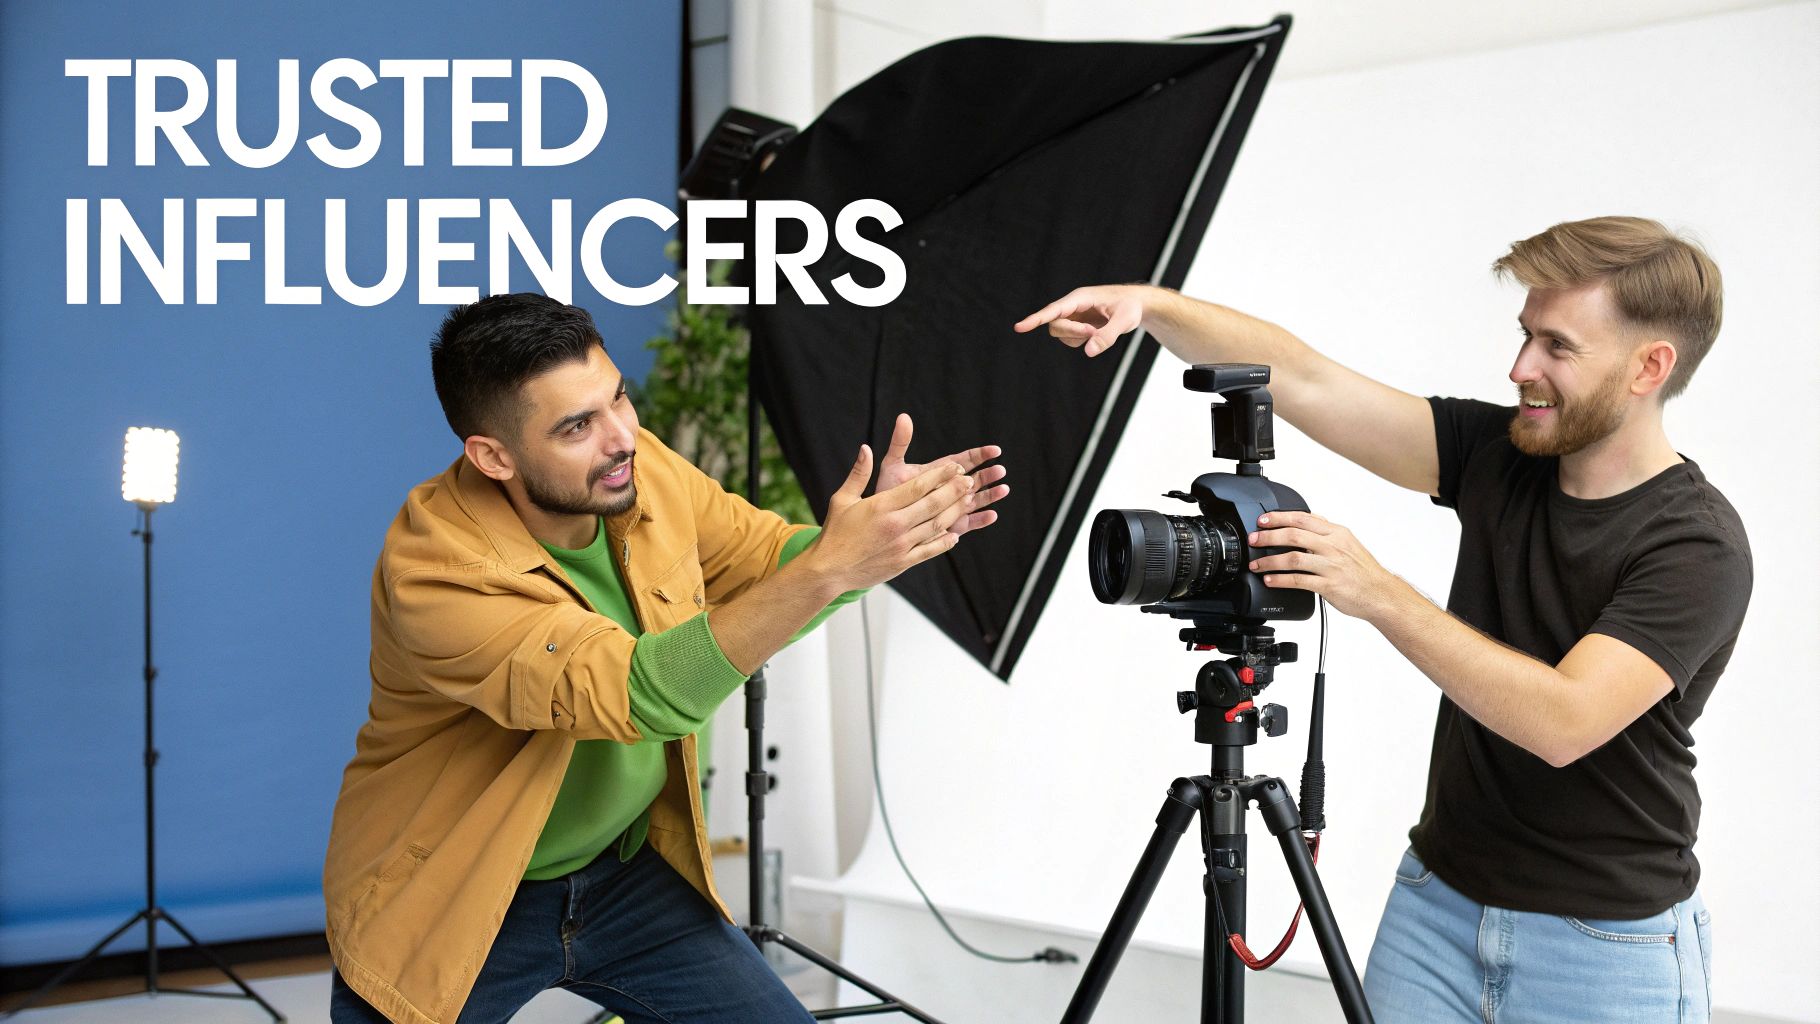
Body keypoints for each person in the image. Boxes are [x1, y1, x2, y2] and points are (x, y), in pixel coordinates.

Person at [1018, 216, 1749, 1023]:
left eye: (1557, 346)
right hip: (1436, 911)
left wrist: (1376, 593)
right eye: (1523, 336)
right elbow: (1309, 379)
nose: (1520, 368)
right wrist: (1150, 308)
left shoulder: (1697, 544)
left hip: (1605, 949)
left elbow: (1563, 720)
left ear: (1651, 365)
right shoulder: (1499, 455)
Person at [324, 293, 1008, 1024]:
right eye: (577, 426)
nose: (622, 437)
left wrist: (872, 539)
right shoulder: (435, 571)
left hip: (624, 880)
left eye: (617, 397)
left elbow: (768, 565)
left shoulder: (636, 466)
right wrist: (832, 569)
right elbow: (636, 694)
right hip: (454, 895)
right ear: (494, 456)